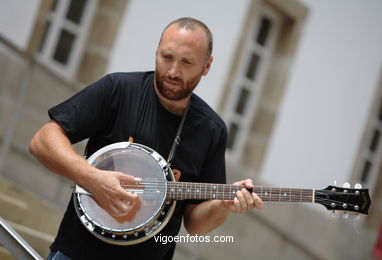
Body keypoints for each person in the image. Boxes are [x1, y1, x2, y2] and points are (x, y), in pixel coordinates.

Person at [29, 17, 263, 260]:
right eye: (167, 57)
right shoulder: (118, 89)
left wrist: (224, 205)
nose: (173, 71)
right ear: (157, 52)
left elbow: (195, 224)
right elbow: (42, 141)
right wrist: (93, 178)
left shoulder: (211, 129)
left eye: (186, 62)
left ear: (206, 66)